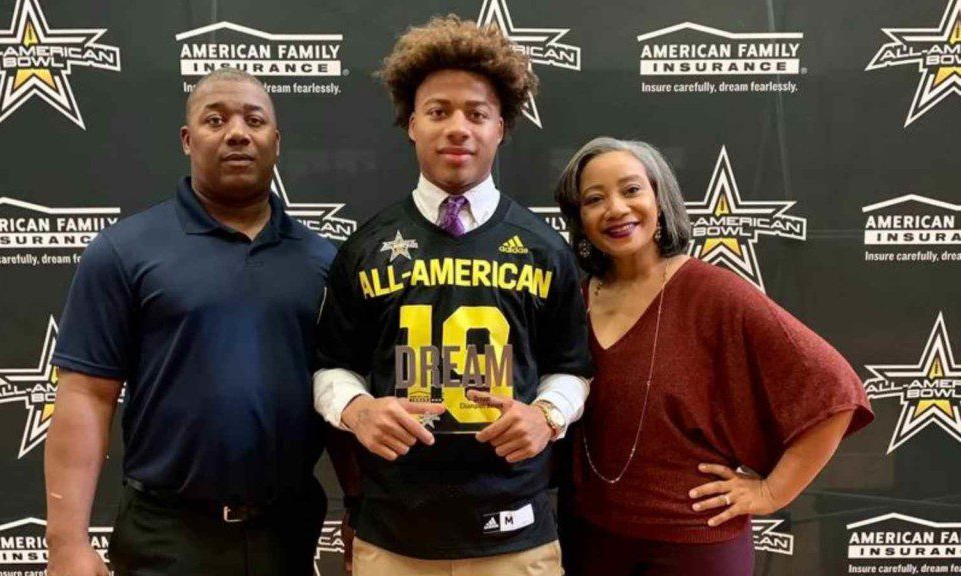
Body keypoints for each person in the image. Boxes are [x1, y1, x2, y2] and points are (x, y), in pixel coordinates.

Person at [312, 16, 593, 576]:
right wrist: (358, 408)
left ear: (502, 127)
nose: (458, 128)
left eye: (477, 113)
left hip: (516, 535)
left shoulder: (543, 247)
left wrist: (548, 415)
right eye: (439, 112)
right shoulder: (366, 245)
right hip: (395, 538)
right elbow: (330, 367)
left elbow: (572, 368)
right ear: (411, 124)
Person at [44, 68, 335, 576]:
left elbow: (341, 397)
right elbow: (86, 396)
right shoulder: (124, 251)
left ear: (276, 141)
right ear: (187, 139)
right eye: (215, 119)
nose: (237, 132)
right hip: (165, 532)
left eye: (255, 120)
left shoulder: (322, 262)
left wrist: (360, 515)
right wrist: (66, 543)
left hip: (286, 534)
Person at [554, 137, 874, 576]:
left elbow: (835, 388)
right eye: (594, 198)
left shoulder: (714, 294)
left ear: (660, 200)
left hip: (693, 545)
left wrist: (771, 494)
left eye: (631, 190)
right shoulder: (574, 298)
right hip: (588, 538)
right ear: (579, 218)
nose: (615, 208)